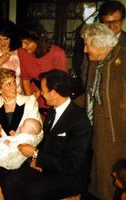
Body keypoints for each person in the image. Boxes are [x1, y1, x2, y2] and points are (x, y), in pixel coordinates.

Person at [0, 69, 92, 199]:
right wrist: (35, 159)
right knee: (10, 179)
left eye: (43, 90)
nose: (41, 94)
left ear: (53, 92)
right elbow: (46, 141)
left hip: (69, 175)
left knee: (34, 191)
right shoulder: (53, 111)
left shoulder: (79, 120)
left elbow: (71, 164)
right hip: (48, 165)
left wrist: (36, 154)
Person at [81, 22, 126, 200]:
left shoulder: (123, 61)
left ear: (100, 44)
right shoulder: (95, 62)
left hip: (117, 131)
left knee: (112, 177)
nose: (85, 49)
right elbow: (90, 94)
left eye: (87, 44)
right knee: (99, 173)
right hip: (98, 127)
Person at [72, 0, 126, 90]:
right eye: (107, 22)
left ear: (123, 21)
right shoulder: (91, 40)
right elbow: (85, 71)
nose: (111, 26)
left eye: (115, 22)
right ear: (101, 22)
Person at [18, 24, 67, 117]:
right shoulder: (22, 52)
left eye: (27, 43)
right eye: (22, 42)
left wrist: (47, 95)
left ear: (39, 41)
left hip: (53, 95)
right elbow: (25, 79)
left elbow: (62, 83)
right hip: (33, 95)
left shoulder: (57, 53)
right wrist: (30, 101)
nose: (23, 46)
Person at [0, 68, 43, 144]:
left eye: (14, 82)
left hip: (24, 147)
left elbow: (39, 133)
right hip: (1, 147)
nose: (14, 87)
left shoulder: (30, 101)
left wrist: (19, 140)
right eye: (9, 84)